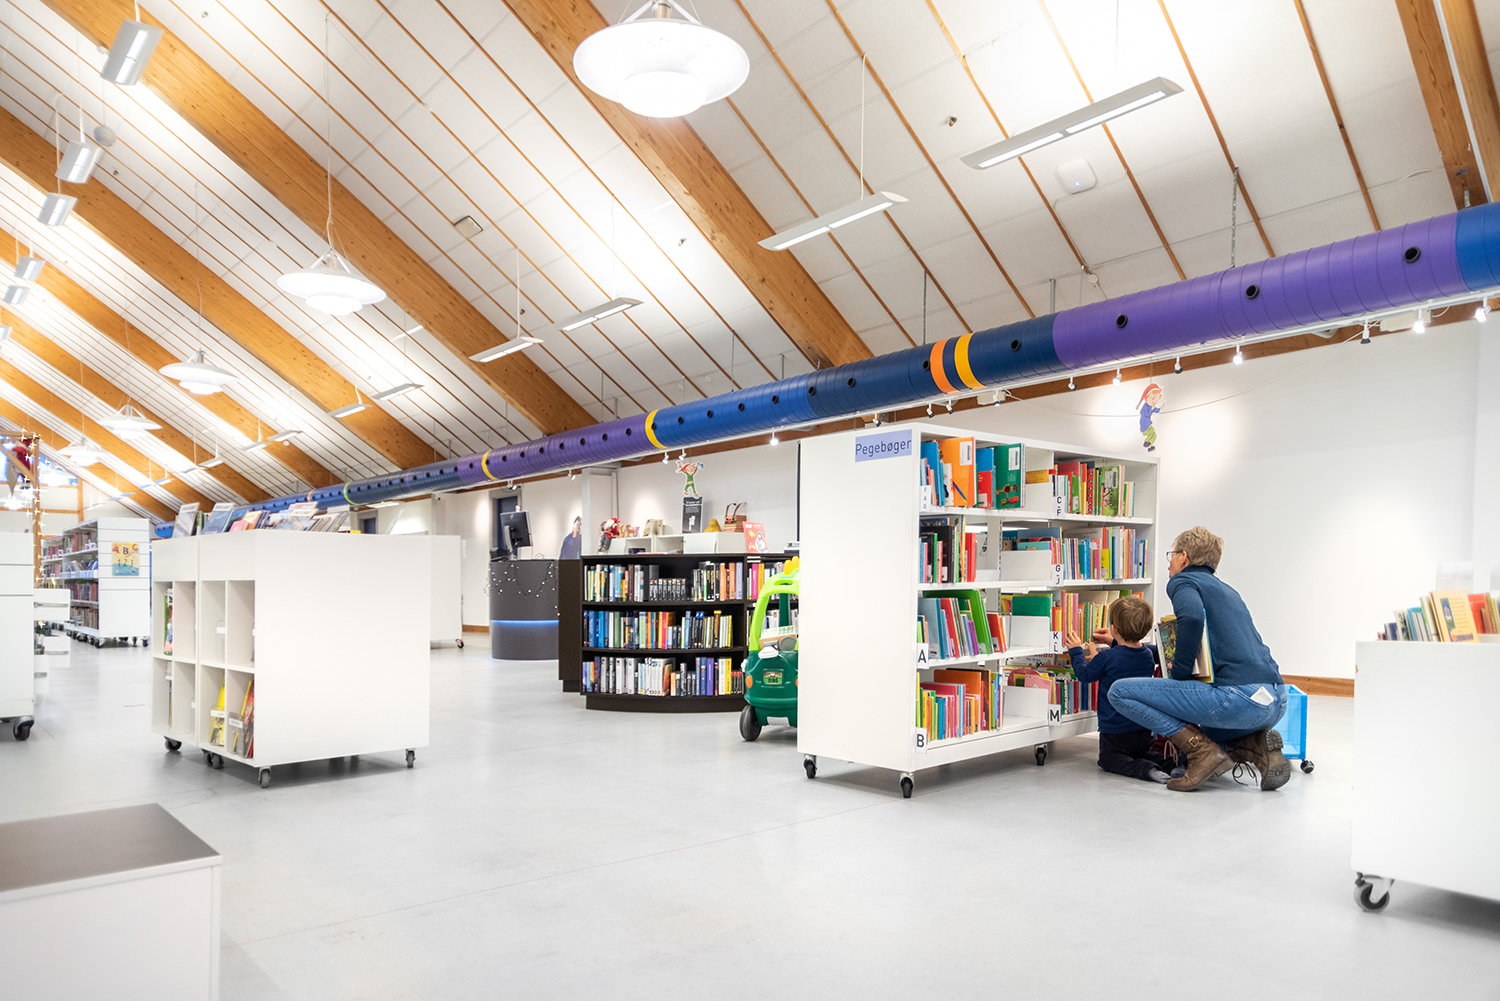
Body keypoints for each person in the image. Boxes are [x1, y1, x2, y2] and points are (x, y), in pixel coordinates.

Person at [1107, 526, 1291, 792]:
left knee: (1119, 692)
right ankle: (1255, 745)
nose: (1168, 564)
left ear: (1184, 557)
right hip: (1275, 701)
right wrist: (1122, 643)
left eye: (1171, 555)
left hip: (1238, 699)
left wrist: (1179, 675)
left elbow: (1192, 619)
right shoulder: (1228, 590)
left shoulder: (1182, 581)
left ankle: (1203, 754)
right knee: (1204, 735)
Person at [1066, 596, 1178, 784]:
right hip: (1143, 727)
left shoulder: (1106, 657)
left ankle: (1146, 769)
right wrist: (1114, 641)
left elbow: (1085, 675)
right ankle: (1174, 764)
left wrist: (1076, 651)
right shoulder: (1148, 654)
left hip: (1115, 729)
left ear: (1114, 629)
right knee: (1144, 753)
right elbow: (1128, 654)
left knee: (1109, 759)